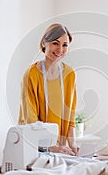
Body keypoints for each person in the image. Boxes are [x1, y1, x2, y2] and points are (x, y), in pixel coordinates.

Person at [18, 23, 78, 155]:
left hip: (60, 150)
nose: (60, 49)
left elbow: (70, 114)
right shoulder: (31, 75)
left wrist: (72, 144)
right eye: (55, 43)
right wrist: (50, 148)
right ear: (44, 43)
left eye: (65, 45)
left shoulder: (70, 74)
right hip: (33, 147)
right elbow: (30, 120)